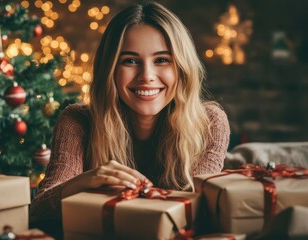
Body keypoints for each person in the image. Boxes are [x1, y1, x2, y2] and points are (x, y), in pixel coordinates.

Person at [30, 1, 230, 237]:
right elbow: (38, 211)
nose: (147, 76)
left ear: (182, 68)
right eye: (130, 61)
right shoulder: (77, 120)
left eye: (162, 60)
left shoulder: (210, 122)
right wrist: (83, 182)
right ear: (111, 68)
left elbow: (201, 214)